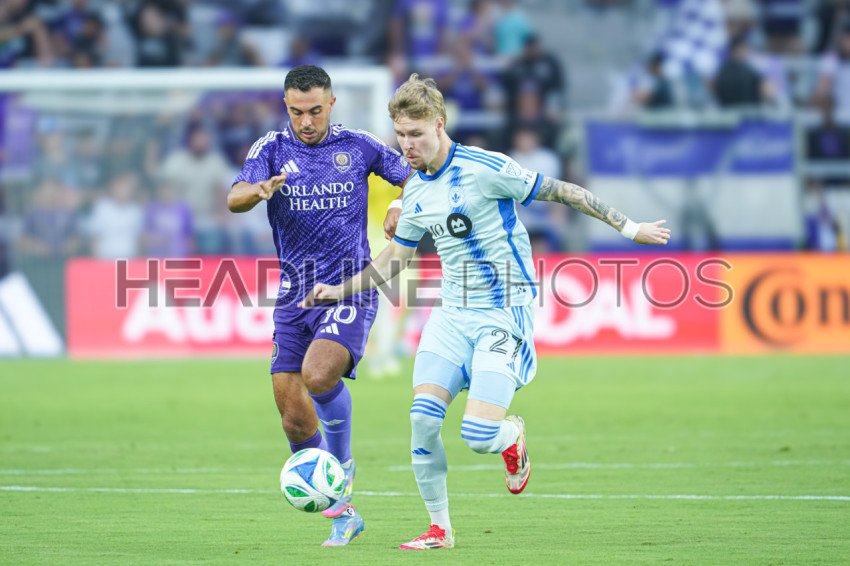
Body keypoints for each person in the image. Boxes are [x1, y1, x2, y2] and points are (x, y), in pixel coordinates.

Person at [300, 74, 670, 550]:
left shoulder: (485, 168)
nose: (407, 146)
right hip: (451, 315)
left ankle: (510, 436)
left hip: (502, 311)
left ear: (439, 124)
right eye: (401, 135)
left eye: (416, 134)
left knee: (478, 434)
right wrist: (339, 290)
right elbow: (396, 259)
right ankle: (440, 529)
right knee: (422, 419)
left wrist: (630, 227)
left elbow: (564, 191)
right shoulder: (415, 193)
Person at [227, 65, 412, 546]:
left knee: (318, 373)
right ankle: (343, 514)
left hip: (349, 286)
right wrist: (257, 192)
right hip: (295, 295)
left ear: (330, 104)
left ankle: (342, 464)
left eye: (314, 110)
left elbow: (416, 176)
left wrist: (398, 205)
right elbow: (234, 197)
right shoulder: (270, 149)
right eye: (296, 112)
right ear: (285, 107)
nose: (305, 122)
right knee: (292, 413)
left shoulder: (360, 146)